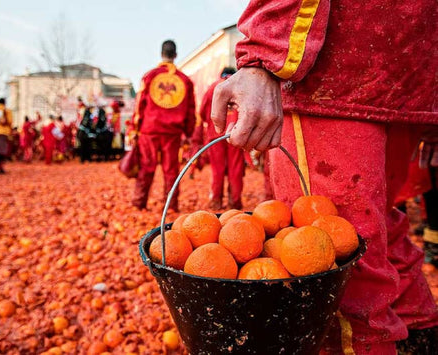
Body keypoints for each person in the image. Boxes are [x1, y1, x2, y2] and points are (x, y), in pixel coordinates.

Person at [211, 1, 437, 354]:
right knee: (378, 233)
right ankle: (419, 336)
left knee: (338, 278)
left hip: (338, 73)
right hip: (404, 71)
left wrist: (264, 56)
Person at [131, 40, 196, 211]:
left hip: (149, 130)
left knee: (146, 167)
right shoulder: (185, 81)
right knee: (171, 171)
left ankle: (139, 204)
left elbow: (139, 106)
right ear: (175, 55)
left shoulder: (149, 76)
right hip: (172, 133)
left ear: (161, 54)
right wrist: (188, 133)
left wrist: (134, 129)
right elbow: (191, 110)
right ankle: (171, 207)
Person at [198, 67, 244, 210]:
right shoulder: (240, 86)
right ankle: (234, 203)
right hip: (236, 133)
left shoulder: (213, 87)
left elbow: (202, 111)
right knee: (235, 169)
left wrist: (212, 124)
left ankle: (216, 202)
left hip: (216, 134)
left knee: (217, 169)